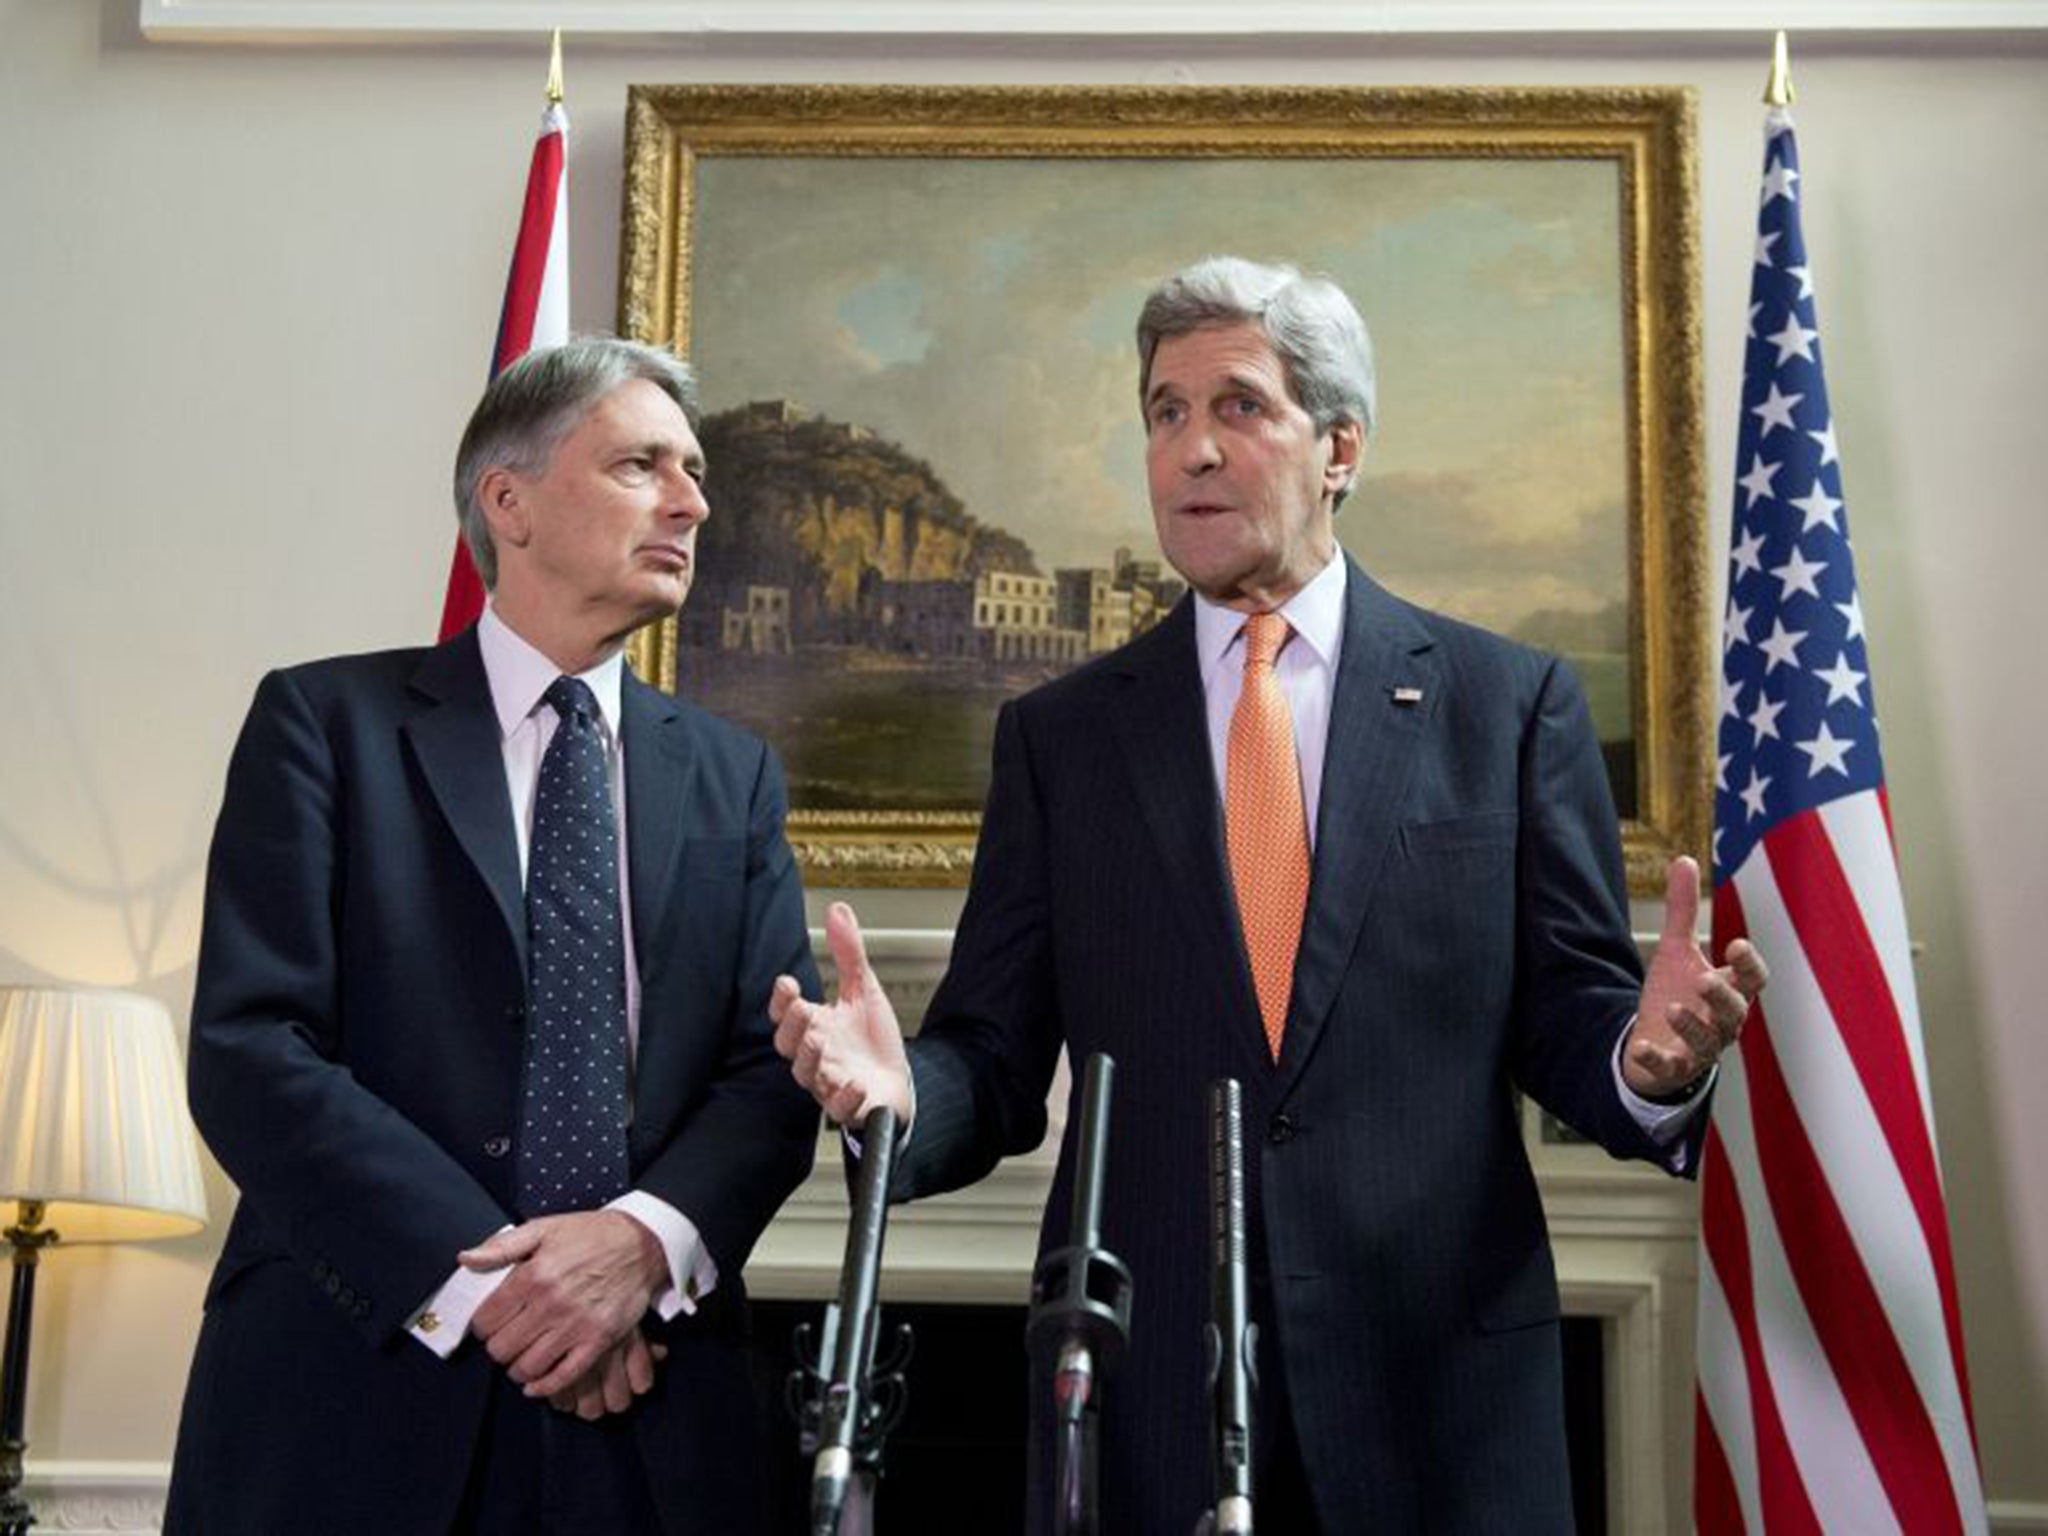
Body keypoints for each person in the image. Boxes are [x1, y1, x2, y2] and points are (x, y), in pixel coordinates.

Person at [772, 257, 1768, 1532]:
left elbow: (1565, 1013)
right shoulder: (1061, 739)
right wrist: (903, 1092)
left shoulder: (1504, 705)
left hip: (1437, 1392)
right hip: (1140, 1388)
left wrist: (1646, 1057)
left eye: (1237, 407)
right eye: (1162, 412)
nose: (1189, 449)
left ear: (1338, 444)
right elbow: (994, 1055)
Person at [165, 338, 821, 1534]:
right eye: (641, 465)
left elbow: (768, 1075)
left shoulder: (733, 777)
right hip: (356, 1393)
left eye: (694, 471)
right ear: (506, 501)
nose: (691, 500)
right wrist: (513, 1290)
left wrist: (632, 1248)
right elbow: (254, 1049)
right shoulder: (322, 724)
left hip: (655, 1408)